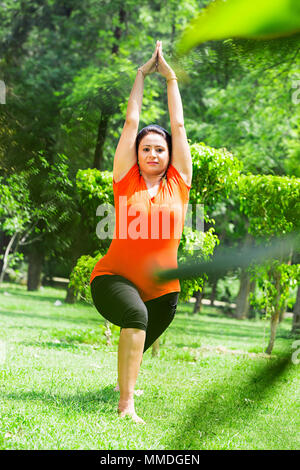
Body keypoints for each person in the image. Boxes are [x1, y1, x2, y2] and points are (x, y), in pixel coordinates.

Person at [90, 40, 192, 424]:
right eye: (146, 149)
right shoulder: (124, 180)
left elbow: (178, 125)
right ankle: (126, 406)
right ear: (136, 154)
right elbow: (131, 123)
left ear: (169, 156)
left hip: (164, 292)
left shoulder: (179, 183)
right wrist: (140, 75)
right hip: (113, 278)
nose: (152, 154)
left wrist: (170, 79)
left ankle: (124, 383)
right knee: (134, 317)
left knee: (140, 333)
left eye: (159, 150)